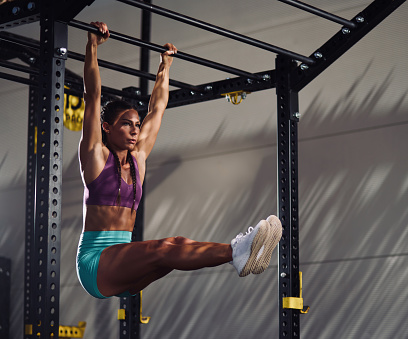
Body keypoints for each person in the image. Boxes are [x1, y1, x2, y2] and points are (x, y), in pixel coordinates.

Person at [76, 22, 282, 299]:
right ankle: (237, 251)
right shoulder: (96, 157)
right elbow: (93, 96)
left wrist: (165, 66)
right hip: (96, 262)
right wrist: (91, 45)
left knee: (175, 245)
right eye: (126, 124)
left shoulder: (138, 158)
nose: (135, 130)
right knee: (162, 248)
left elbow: (158, 107)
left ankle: (238, 254)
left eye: (137, 124)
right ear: (107, 127)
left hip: (123, 263)